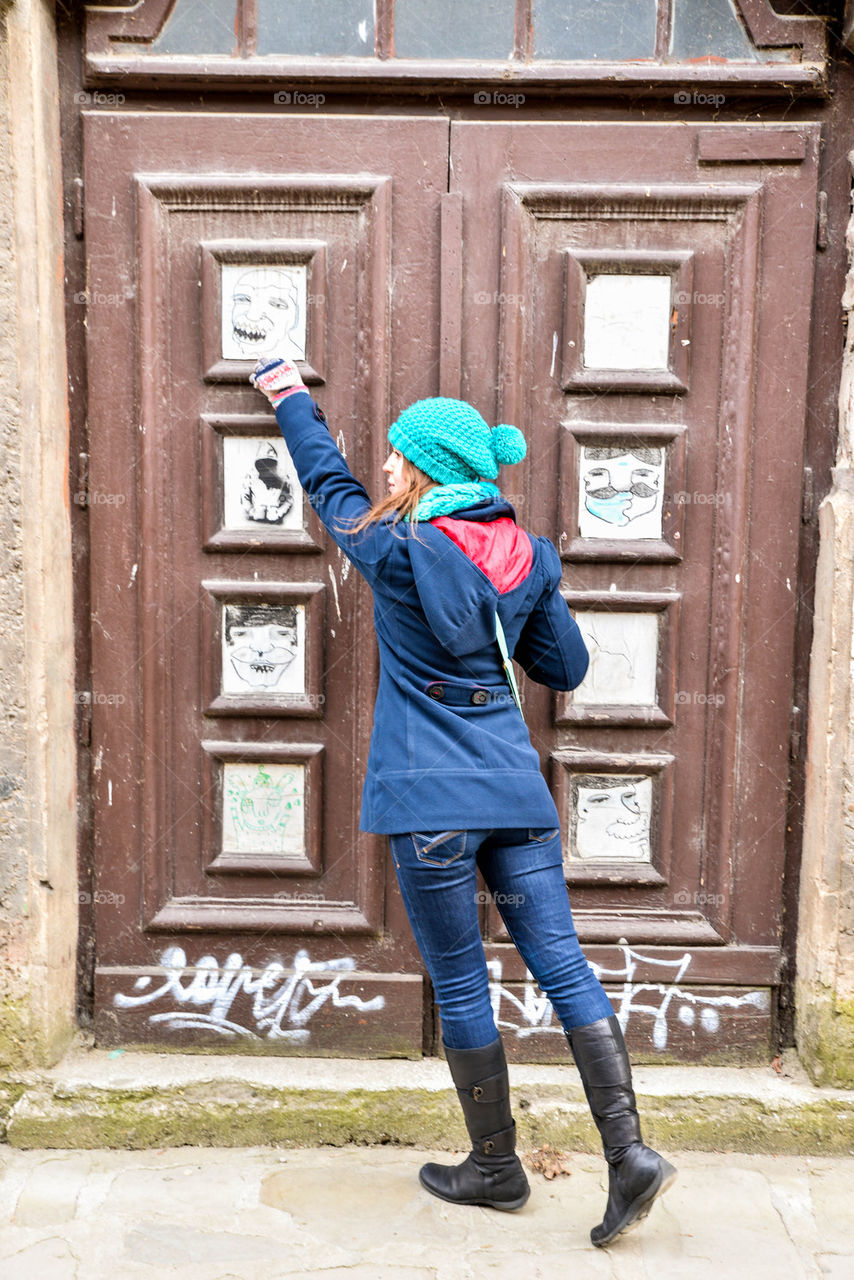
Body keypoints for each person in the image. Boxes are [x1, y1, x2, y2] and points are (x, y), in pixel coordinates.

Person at [249, 355, 677, 1248]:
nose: (387, 465)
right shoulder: (531, 555)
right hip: (516, 798)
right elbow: (565, 668)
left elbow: (328, 483)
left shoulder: (393, 546)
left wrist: (288, 396)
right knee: (564, 966)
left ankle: (494, 1168)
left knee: (458, 977)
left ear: (425, 468)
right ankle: (630, 1153)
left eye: (399, 454)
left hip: (430, 806)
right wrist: (523, 609)